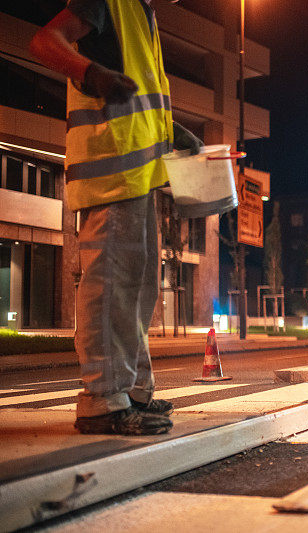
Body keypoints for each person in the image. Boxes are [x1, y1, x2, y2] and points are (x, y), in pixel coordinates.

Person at [30, 0, 202, 435]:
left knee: (136, 289)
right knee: (111, 287)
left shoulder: (141, 14)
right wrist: (92, 74)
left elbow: (140, 99)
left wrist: (170, 130)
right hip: (109, 171)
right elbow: (44, 41)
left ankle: (132, 391)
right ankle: (103, 399)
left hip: (136, 176)